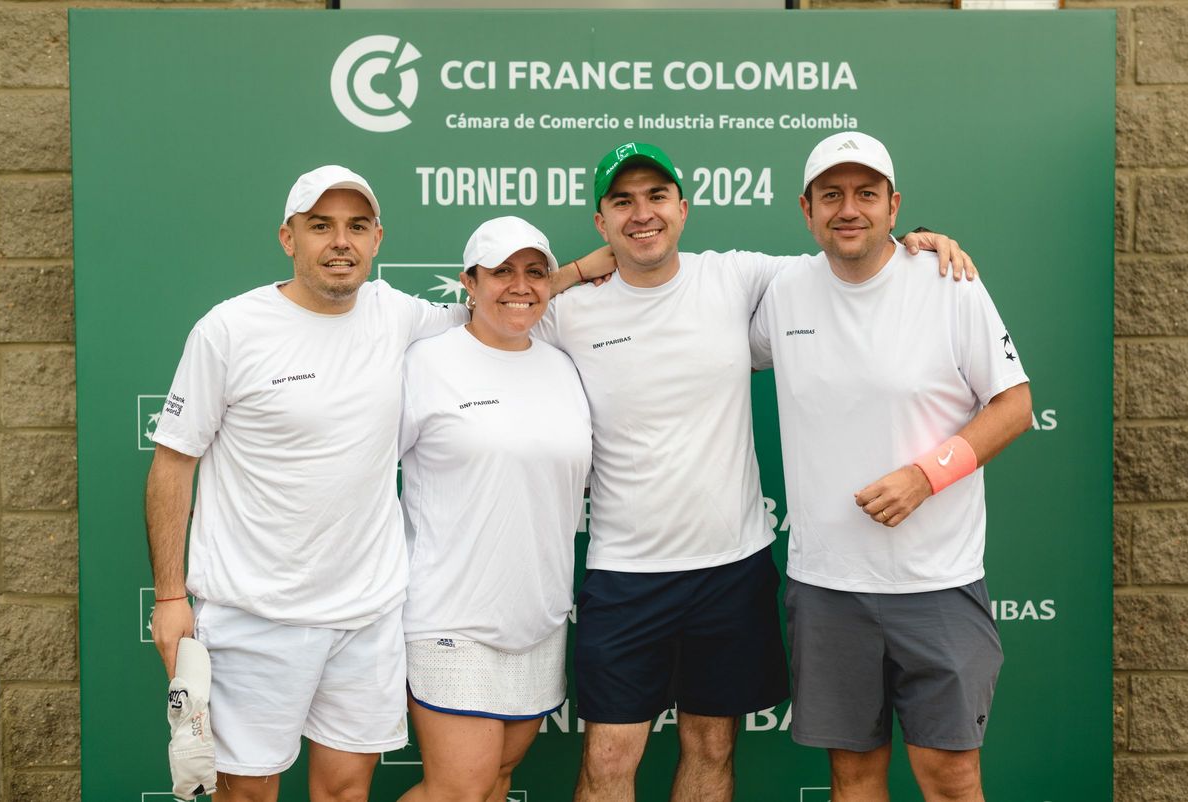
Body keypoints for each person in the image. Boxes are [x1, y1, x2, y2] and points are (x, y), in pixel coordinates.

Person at [530, 141, 977, 802]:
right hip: (624, 571)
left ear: (684, 208)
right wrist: (570, 272)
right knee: (609, 758)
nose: (642, 213)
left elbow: (853, 253)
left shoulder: (738, 277)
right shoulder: (567, 312)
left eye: (657, 197)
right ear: (602, 221)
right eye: (622, 202)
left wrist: (919, 240)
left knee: (712, 748)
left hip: (731, 569)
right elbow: (485, 322)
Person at [144, 167, 599, 802]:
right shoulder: (229, 330)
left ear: (377, 239)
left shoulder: (396, 314)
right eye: (320, 226)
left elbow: (498, 306)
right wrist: (170, 595)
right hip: (255, 613)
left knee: (346, 793)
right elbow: (173, 463)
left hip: (368, 614)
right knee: (246, 794)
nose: (341, 242)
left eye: (356, 227)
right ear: (288, 237)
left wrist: (575, 271)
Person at [749, 131, 1032, 802]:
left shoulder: (949, 283)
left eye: (866, 194)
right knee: (852, 779)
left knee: (951, 778)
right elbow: (685, 317)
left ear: (894, 206)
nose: (849, 209)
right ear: (807, 210)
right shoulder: (784, 291)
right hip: (827, 587)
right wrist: (584, 273)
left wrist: (925, 477)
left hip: (937, 582)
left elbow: (1015, 406)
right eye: (832, 195)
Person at [395, 216, 592, 802]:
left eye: (535, 272)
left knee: (498, 781)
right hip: (451, 615)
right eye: (502, 271)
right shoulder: (426, 363)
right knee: (460, 789)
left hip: (538, 616)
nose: (520, 285)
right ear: (469, 282)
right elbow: (362, 469)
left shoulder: (563, 366)